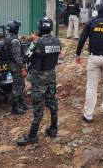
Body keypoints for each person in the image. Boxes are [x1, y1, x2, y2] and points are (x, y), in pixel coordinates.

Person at [17, 17, 61, 146]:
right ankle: (53, 128)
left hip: (39, 78)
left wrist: (33, 40)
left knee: (38, 107)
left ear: (40, 27)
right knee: (52, 102)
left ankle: (32, 135)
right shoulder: (57, 41)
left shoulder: (36, 43)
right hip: (51, 76)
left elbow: (26, 56)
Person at [1, 20, 27, 115]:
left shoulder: (7, 38)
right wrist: (23, 68)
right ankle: (15, 108)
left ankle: (20, 104)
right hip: (16, 67)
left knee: (21, 85)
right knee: (17, 87)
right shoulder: (15, 41)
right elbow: (18, 58)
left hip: (12, 65)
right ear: (15, 29)